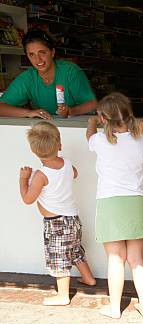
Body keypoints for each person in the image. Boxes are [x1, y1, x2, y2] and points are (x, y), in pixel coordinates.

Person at [86, 92, 143, 319]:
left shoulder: (99, 140)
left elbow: (89, 139)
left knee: (115, 258)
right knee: (137, 258)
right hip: (135, 201)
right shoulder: (140, 140)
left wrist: (90, 124)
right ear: (129, 115)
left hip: (110, 202)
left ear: (103, 120)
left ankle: (115, 308)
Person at [19, 121, 96, 306]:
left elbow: (28, 199)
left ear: (34, 151)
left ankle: (62, 296)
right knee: (75, 250)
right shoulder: (67, 164)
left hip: (56, 224)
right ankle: (88, 278)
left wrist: (23, 180)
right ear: (59, 145)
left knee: (59, 257)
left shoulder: (40, 175)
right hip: (73, 219)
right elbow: (75, 174)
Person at [0, 29, 96, 119]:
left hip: (76, 128)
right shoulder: (28, 78)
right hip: (44, 131)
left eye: (42, 53)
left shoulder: (70, 72)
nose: (38, 60)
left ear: (52, 52)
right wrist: (29, 113)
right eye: (32, 55)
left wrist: (71, 111)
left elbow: (92, 104)